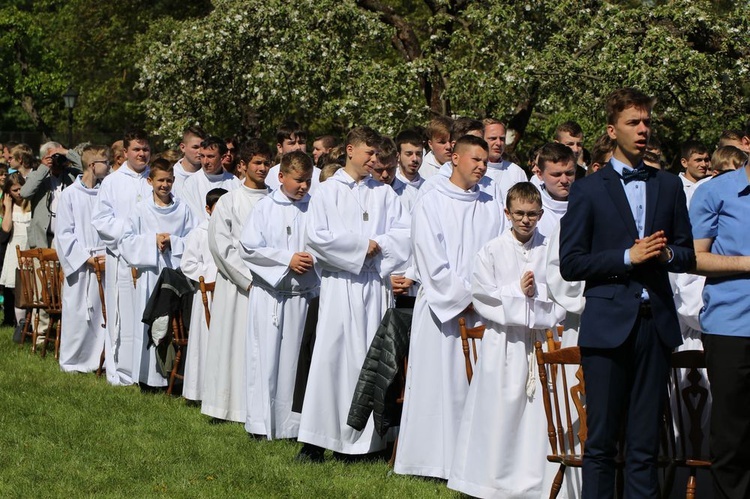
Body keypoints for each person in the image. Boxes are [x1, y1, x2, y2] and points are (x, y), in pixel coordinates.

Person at [559, 88, 695, 498]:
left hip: (655, 327)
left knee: (644, 442)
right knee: (600, 442)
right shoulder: (587, 189)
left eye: (647, 122)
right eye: (633, 122)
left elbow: (687, 252)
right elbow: (572, 263)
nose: (642, 130)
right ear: (611, 129)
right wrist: (626, 256)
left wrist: (667, 252)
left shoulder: (670, 186)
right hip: (606, 326)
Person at [394, 135, 505, 480]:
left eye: (485, 162)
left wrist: (484, 296)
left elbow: (498, 254)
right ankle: (430, 461)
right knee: (438, 384)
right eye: (475, 159)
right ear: (454, 158)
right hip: (442, 310)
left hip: (482, 310)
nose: (482, 166)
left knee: (474, 384)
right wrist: (466, 296)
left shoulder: (491, 202)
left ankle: (470, 460)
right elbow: (430, 260)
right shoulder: (431, 201)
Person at [297, 126, 410, 461]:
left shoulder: (385, 194)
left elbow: (405, 233)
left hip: (375, 287)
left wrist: (382, 246)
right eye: (369, 154)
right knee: (330, 360)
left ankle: (367, 443)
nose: (374, 161)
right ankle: (317, 440)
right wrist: (363, 246)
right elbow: (316, 236)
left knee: (370, 361)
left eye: (378, 155)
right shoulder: (328, 191)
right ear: (350, 150)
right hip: (340, 285)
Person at [449, 182, 564, 497]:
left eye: (532, 214)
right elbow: (482, 296)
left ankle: (537, 481)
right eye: (519, 214)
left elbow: (561, 297)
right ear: (507, 213)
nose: (525, 220)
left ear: (541, 214)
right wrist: (518, 291)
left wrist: (536, 296)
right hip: (503, 342)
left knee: (538, 414)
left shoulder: (549, 250)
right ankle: (492, 481)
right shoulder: (492, 249)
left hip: (539, 342)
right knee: (499, 413)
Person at [240, 150, 319, 440]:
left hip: (302, 296)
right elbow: (248, 248)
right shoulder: (265, 208)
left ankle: (292, 426)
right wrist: (287, 259)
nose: (304, 187)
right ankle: (260, 425)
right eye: (298, 180)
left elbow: (325, 243)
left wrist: (311, 259)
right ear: (282, 176)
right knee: (265, 359)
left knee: (295, 363)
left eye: (309, 181)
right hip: (271, 296)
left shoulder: (315, 207)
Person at [689, 154, 750, 499]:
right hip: (732, 327)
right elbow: (695, 256)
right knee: (732, 435)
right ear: (746, 143)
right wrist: (746, 263)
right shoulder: (716, 191)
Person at [201, 138, 271, 422]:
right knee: (232, 344)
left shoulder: (276, 200)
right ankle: (226, 406)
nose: (263, 168)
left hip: (271, 285)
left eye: (267, 162)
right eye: (257, 162)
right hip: (238, 286)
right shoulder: (229, 200)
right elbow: (221, 245)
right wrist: (247, 279)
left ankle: (260, 406)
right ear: (242, 166)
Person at [119, 159, 195, 388]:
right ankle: (147, 376)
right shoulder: (141, 209)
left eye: (169, 180)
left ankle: (172, 374)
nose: (165, 185)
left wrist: (173, 241)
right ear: (150, 181)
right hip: (150, 275)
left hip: (173, 275)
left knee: (173, 323)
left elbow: (194, 239)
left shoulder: (183, 209)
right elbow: (126, 241)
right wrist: (152, 241)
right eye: (160, 180)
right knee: (151, 321)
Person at [92, 128, 153, 386]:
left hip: (152, 257)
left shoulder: (158, 179)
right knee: (125, 315)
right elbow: (101, 220)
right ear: (125, 152)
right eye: (136, 149)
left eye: (146, 149)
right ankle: (124, 371)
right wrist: (129, 235)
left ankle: (151, 371)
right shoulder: (112, 182)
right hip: (123, 259)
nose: (141, 154)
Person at [54, 145, 111, 373]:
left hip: (104, 261)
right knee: (78, 313)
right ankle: (73, 361)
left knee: (102, 314)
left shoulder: (105, 194)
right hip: (81, 265)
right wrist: (86, 259)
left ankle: (101, 359)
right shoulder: (70, 194)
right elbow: (64, 234)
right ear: (91, 165)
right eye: (104, 163)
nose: (108, 167)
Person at [179, 187, 227, 402]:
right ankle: (199, 390)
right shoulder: (200, 232)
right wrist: (210, 276)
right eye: (217, 209)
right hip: (206, 294)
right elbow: (188, 263)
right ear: (208, 210)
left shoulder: (233, 230)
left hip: (227, 293)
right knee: (204, 341)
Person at [180, 136, 240, 222]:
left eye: (210, 156)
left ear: (222, 158)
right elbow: (192, 217)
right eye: (202, 156)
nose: (205, 162)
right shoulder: (191, 183)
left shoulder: (234, 182)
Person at [0, 173, 31, 327]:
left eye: (21, 188)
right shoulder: (10, 207)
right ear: (9, 192)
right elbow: (6, 228)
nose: (19, 193)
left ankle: (30, 320)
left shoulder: (31, 202)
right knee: (15, 287)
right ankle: (19, 323)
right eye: (15, 190)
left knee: (30, 285)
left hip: (30, 245)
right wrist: (7, 206)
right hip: (15, 246)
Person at [534, 142, 576, 239]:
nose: (564, 180)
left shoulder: (585, 204)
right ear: (539, 174)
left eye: (569, 173)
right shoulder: (530, 209)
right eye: (556, 174)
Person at [483, 118, 528, 199]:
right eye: (493, 138)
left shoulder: (516, 172)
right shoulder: (472, 170)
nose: (498, 143)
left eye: (502, 139)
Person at [266, 121, 316, 191]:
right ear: (280, 147)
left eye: (301, 143)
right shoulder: (268, 177)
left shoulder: (318, 176)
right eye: (292, 143)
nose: (298, 147)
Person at [172, 126, 207, 197]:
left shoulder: (209, 175)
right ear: (183, 147)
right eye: (195, 147)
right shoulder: (171, 175)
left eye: (203, 147)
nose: (200, 151)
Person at [678, 140, 710, 205]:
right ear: (684, 162)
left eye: (706, 160)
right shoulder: (675, 187)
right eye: (698, 160)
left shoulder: (711, 184)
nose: (703, 164)